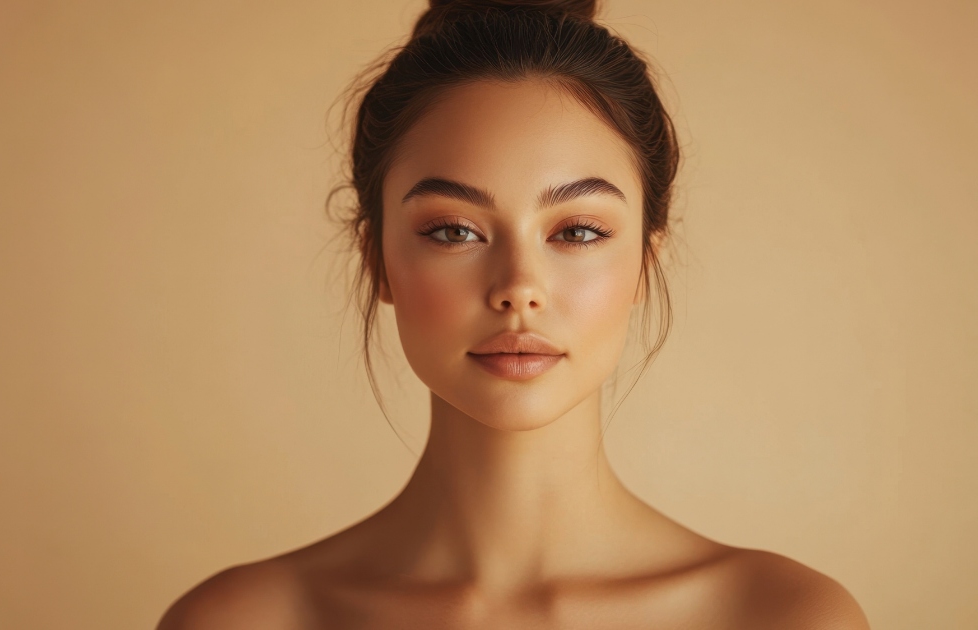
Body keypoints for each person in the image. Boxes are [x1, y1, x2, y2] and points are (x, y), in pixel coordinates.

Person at [160, 1, 870, 627]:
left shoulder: (781, 619)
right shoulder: (245, 621)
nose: (518, 288)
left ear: (645, 264)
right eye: (454, 230)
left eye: (578, 231)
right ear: (377, 258)